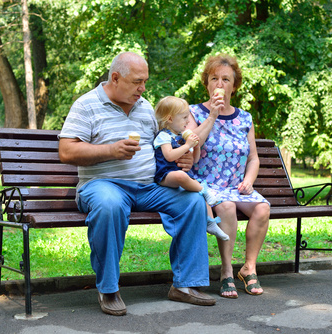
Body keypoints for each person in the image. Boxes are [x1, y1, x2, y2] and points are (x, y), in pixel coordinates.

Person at [58, 52, 216, 316]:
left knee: (192, 201)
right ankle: (108, 289)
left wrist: (183, 156)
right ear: (116, 78)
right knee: (109, 205)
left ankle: (185, 286)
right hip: (103, 185)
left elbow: (164, 142)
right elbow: (66, 152)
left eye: (145, 82)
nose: (143, 88)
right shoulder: (86, 105)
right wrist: (111, 151)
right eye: (137, 82)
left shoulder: (144, 107)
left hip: (148, 187)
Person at [186, 54, 271, 298]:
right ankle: (226, 272)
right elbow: (192, 147)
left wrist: (249, 180)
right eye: (214, 79)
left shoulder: (244, 118)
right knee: (227, 207)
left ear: (234, 86)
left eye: (226, 79)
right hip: (206, 185)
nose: (220, 84)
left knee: (262, 209)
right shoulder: (194, 113)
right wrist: (213, 114)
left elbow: (253, 158)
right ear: (207, 84)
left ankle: (249, 267)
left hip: (235, 186)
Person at [153, 96, 229, 241]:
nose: (188, 121)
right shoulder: (163, 136)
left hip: (180, 176)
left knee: (197, 193)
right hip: (165, 176)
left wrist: (196, 146)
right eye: (184, 117)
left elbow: (194, 160)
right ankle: (205, 192)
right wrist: (187, 145)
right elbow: (169, 156)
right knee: (185, 179)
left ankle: (211, 223)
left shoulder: (181, 137)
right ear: (170, 119)